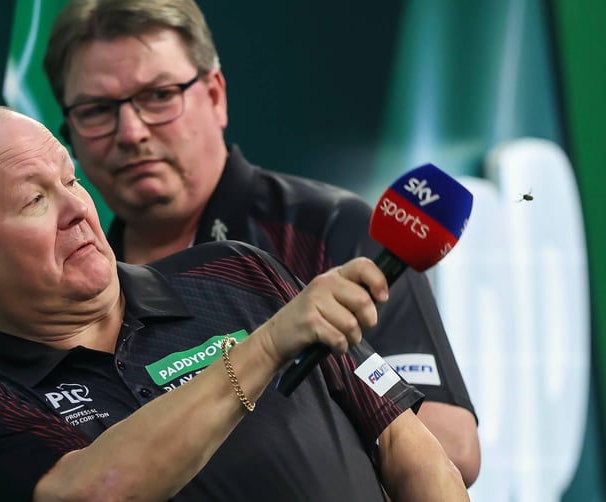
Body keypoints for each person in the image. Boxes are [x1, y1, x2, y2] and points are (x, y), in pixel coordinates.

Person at [0, 105, 467, 501]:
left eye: (71, 181)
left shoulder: (236, 270)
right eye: (33, 198)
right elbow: (93, 493)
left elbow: (406, 445)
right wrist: (267, 346)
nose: (77, 209)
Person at [42, 0, 480, 486]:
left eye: (160, 95)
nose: (131, 132)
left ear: (215, 96)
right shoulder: (79, 283)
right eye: (98, 110)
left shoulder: (326, 228)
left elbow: (454, 449)